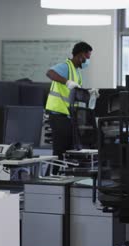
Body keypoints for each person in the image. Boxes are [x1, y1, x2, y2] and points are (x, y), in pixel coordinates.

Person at [45, 41, 93, 174]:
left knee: (68, 150)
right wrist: (66, 81)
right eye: (87, 58)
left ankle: (59, 177)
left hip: (68, 116)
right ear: (80, 56)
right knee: (59, 150)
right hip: (58, 114)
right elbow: (49, 73)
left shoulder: (77, 72)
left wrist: (89, 93)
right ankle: (50, 178)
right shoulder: (66, 66)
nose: (88, 61)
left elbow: (74, 93)